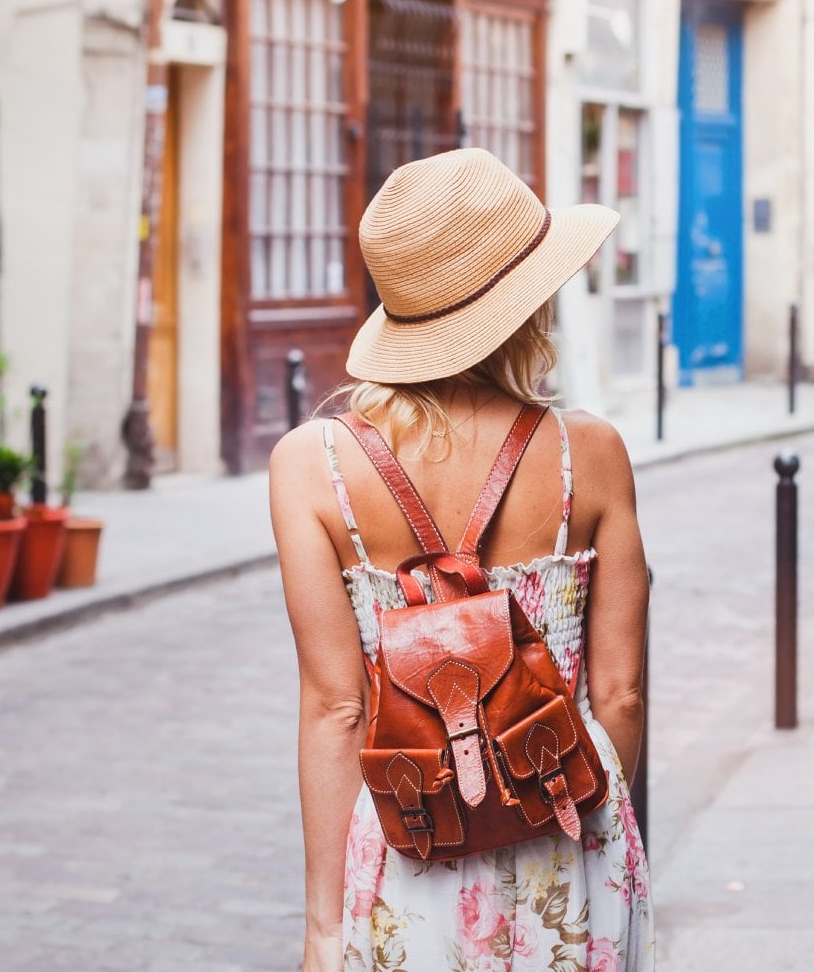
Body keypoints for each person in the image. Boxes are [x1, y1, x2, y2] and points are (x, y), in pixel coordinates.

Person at [269, 148, 653, 972]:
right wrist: (587, 820)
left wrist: (323, 926)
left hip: (411, 842)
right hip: (566, 827)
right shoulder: (589, 453)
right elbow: (619, 693)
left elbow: (335, 712)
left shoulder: (312, 466)